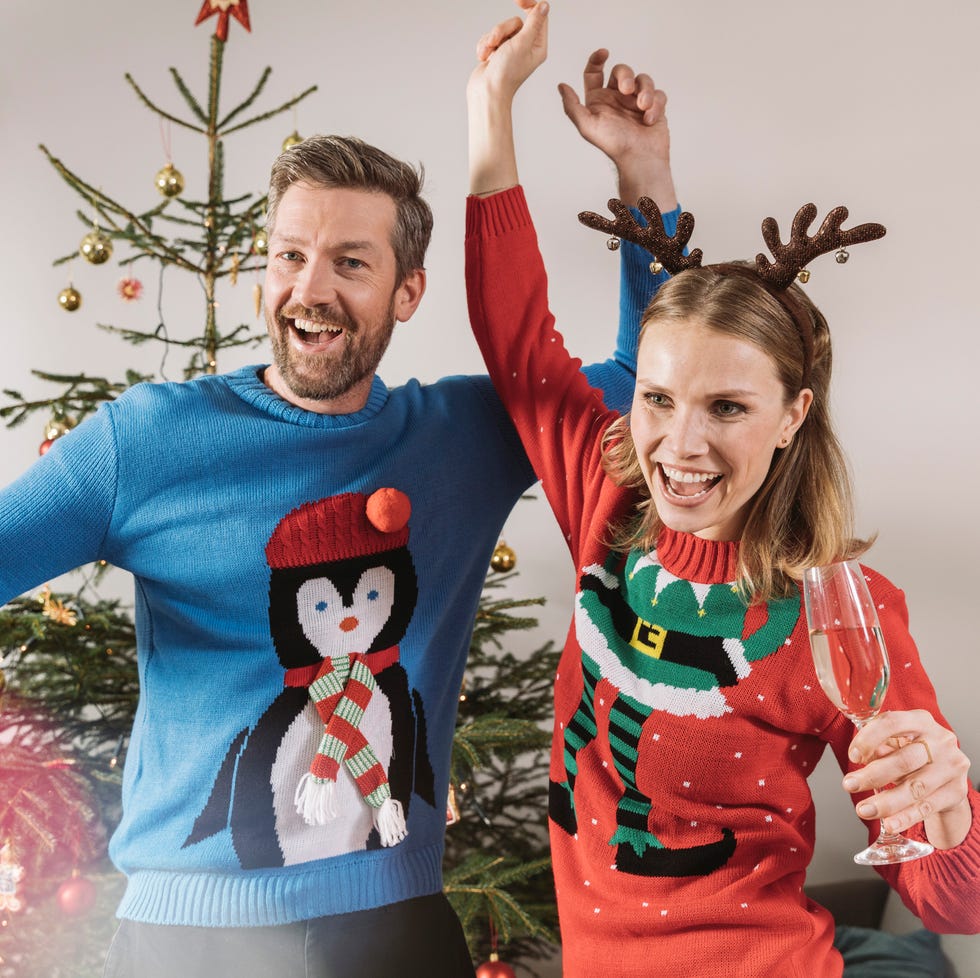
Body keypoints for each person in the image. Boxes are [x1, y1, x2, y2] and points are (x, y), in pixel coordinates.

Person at [0, 28, 680, 978]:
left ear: (409, 292)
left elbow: (652, 383)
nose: (308, 290)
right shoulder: (144, 441)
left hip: (394, 932)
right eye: (289, 256)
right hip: (183, 943)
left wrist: (646, 173)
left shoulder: (464, 437)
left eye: (350, 264)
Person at [465, 3, 980, 976]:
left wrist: (948, 811)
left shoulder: (841, 616)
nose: (679, 445)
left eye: (727, 409)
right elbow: (512, 328)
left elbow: (953, 898)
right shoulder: (604, 494)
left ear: (791, 415)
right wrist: (492, 103)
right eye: (656, 398)